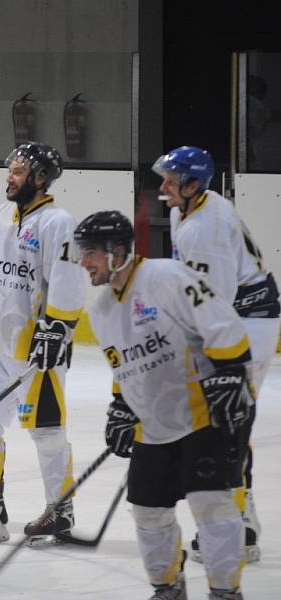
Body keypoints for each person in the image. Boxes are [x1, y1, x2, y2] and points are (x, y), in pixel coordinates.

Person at [76, 210, 253, 600]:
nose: (83, 262)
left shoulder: (167, 277)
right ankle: (167, 587)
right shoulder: (101, 310)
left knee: (212, 506)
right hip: (154, 426)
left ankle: (225, 592)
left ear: (117, 250)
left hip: (206, 414)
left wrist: (229, 371)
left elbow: (222, 322)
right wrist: (120, 407)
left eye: (90, 252)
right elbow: (123, 367)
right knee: (147, 510)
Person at [0, 142, 84, 543]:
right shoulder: (2, 215)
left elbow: (66, 281)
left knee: (46, 430)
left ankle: (61, 511)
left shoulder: (57, 222)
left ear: (40, 179)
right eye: (11, 169)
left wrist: (56, 329)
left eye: (19, 171)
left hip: (35, 351)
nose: (9, 176)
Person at [153, 145, 280, 563]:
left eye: (172, 181)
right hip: (234, 315)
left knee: (230, 416)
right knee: (225, 419)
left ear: (193, 185)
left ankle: (239, 529)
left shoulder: (206, 225)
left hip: (249, 322)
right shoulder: (184, 212)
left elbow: (217, 304)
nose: (163, 187)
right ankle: (240, 519)